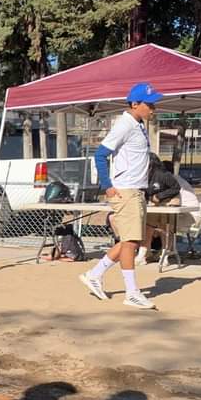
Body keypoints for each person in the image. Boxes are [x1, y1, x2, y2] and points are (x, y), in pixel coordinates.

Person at [79, 83, 164, 309]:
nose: (153, 108)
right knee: (131, 242)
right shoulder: (124, 125)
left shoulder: (138, 125)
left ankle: (94, 275)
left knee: (130, 240)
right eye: (150, 104)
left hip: (135, 191)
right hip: (126, 191)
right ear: (135, 104)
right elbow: (100, 155)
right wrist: (108, 186)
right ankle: (132, 292)